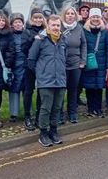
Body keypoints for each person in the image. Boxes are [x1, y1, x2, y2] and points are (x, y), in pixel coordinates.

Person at [28, 15, 67, 147]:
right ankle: (43, 133)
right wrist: (41, 73)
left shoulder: (63, 40)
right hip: (46, 81)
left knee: (57, 108)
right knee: (46, 108)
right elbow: (31, 59)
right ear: (48, 26)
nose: (55, 28)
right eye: (53, 25)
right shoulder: (40, 40)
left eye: (57, 25)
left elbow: (64, 58)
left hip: (60, 80)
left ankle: (53, 131)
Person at [81, 8, 108, 117]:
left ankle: (98, 108)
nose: (95, 19)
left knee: (99, 87)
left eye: (97, 17)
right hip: (89, 63)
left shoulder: (105, 31)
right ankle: (90, 108)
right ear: (90, 18)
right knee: (89, 87)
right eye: (93, 17)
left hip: (101, 64)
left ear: (100, 18)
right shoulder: (84, 31)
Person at [21, 8, 47, 130]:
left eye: (40, 17)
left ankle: (38, 116)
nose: (38, 20)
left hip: (42, 65)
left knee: (41, 91)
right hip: (29, 65)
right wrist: (34, 38)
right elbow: (23, 47)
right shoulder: (26, 31)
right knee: (28, 91)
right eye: (35, 18)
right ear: (31, 19)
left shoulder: (46, 31)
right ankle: (27, 116)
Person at [60, 7, 87, 123]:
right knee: (61, 90)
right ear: (64, 16)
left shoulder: (79, 28)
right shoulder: (59, 27)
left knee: (73, 89)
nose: (70, 16)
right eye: (68, 14)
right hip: (62, 64)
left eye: (72, 14)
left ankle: (72, 113)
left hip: (76, 64)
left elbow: (84, 44)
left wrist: (83, 61)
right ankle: (59, 114)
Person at [8, 13, 26, 122]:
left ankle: (28, 111)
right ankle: (14, 113)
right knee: (14, 90)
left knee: (26, 89)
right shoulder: (9, 36)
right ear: (12, 24)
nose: (18, 24)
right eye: (15, 22)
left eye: (19, 22)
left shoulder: (27, 34)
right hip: (14, 66)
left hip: (25, 65)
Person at [77, 4, 91, 106]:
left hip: (88, 52)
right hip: (78, 52)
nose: (85, 12)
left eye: (87, 10)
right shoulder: (77, 23)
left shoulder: (90, 23)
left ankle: (81, 96)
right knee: (77, 79)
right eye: (83, 10)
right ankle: (75, 97)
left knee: (84, 79)